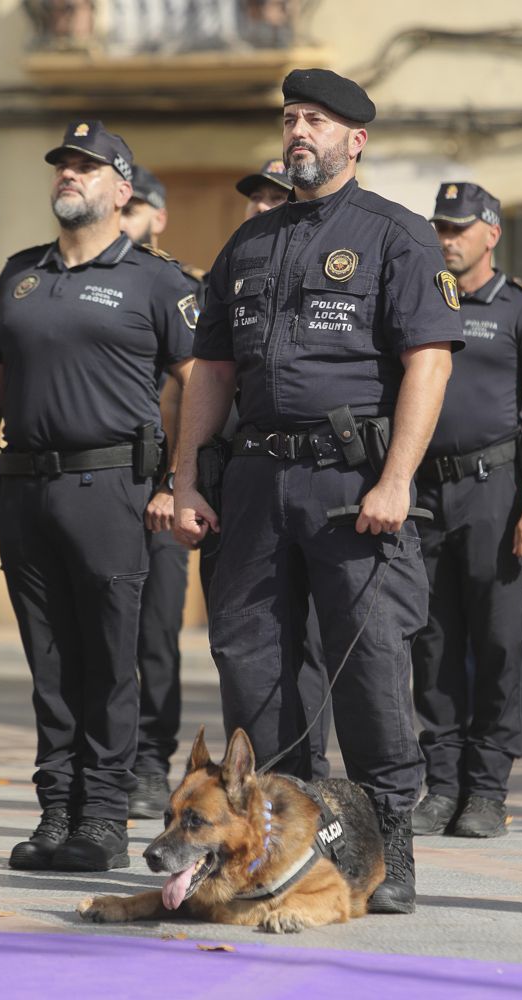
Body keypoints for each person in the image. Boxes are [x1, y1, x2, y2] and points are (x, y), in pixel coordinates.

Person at [174, 68, 463, 914]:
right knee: (251, 661)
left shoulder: (395, 235)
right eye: (292, 118)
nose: (299, 131)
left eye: (317, 121)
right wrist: (185, 474)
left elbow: (430, 362)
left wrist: (398, 478)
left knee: (369, 664)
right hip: (259, 482)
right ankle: (275, 836)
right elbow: (213, 369)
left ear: (355, 140)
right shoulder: (249, 244)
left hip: (353, 484)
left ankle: (389, 850)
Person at [0, 121, 196, 871]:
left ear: (122, 191)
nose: (69, 175)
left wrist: (176, 482)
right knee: (50, 664)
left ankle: (104, 820)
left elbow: (198, 384)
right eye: (63, 165)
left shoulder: (157, 280)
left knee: (108, 662)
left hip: (111, 489)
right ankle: (56, 812)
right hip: (24, 487)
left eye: (87, 168)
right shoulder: (21, 274)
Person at [411, 182, 522, 839]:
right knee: (431, 642)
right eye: (441, 227)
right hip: (423, 493)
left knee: (499, 645)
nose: (448, 239)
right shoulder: (421, 301)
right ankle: (442, 785)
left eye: (459, 228)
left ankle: (486, 791)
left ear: (490, 234)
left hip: (494, 490)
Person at [236, 157, 331, 780]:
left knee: (312, 647)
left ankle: (309, 778)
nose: (264, 206)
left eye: (277, 196)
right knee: (246, 646)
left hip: (320, 477)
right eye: (257, 197)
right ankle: (264, 784)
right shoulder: (234, 266)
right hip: (242, 481)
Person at [119, 166, 205, 818]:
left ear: (159, 217)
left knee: (155, 634)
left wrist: (176, 482)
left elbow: (192, 389)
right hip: (103, 485)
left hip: (161, 489)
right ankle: (107, 758)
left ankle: (151, 761)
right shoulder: (92, 283)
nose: (127, 220)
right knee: (98, 635)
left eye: (139, 210)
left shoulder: (178, 288)